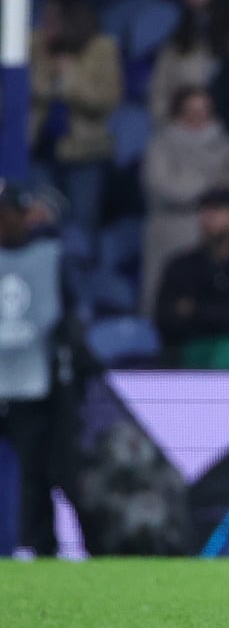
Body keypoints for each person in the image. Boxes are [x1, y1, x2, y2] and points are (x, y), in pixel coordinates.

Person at [0, 183, 70, 557]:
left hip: (32, 384)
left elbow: (65, 315)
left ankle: (37, 545)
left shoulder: (48, 256)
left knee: (37, 474)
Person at [140, 86, 229, 317]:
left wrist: (211, 201)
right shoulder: (161, 145)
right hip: (169, 230)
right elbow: (162, 186)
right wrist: (207, 185)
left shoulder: (228, 147)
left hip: (218, 239)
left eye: (203, 111)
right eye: (191, 112)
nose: (197, 118)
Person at [27, 0, 123, 249]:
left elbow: (104, 100)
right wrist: (50, 77)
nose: (46, 23)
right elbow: (25, 87)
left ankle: (81, 283)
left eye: (53, 18)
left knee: (80, 228)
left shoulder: (102, 48)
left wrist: (68, 78)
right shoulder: (37, 44)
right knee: (37, 222)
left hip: (85, 155)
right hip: (43, 150)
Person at [153, 187, 229, 369]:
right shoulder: (181, 266)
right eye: (206, 211)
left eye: (218, 210)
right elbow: (165, 317)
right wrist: (223, 314)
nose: (210, 218)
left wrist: (196, 311)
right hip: (190, 352)